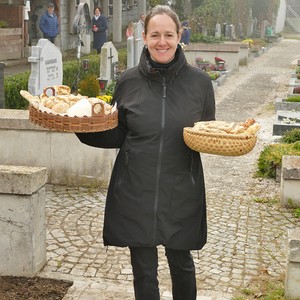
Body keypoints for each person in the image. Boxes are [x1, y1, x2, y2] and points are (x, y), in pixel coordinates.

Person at [76, 5, 215, 300]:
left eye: (168, 34)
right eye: (155, 35)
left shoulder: (200, 84)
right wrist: (81, 126)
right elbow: (119, 133)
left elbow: (207, 134)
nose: (161, 42)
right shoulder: (127, 81)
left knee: (181, 263)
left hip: (181, 188)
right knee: (143, 269)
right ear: (144, 36)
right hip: (136, 188)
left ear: (180, 36)